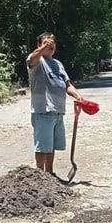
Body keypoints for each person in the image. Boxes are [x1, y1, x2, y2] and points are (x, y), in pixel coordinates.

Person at [26, 32, 83, 174]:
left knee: (51, 146)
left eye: (52, 43)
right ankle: (39, 176)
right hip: (43, 111)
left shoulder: (58, 64)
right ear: (39, 45)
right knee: (42, 146)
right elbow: (31, 60)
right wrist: (41, 49)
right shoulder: (38, 61)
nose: (50, 46)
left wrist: (77, 96)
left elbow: (67, 85)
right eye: (46, 43)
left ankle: (49, 175)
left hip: (58, 112)